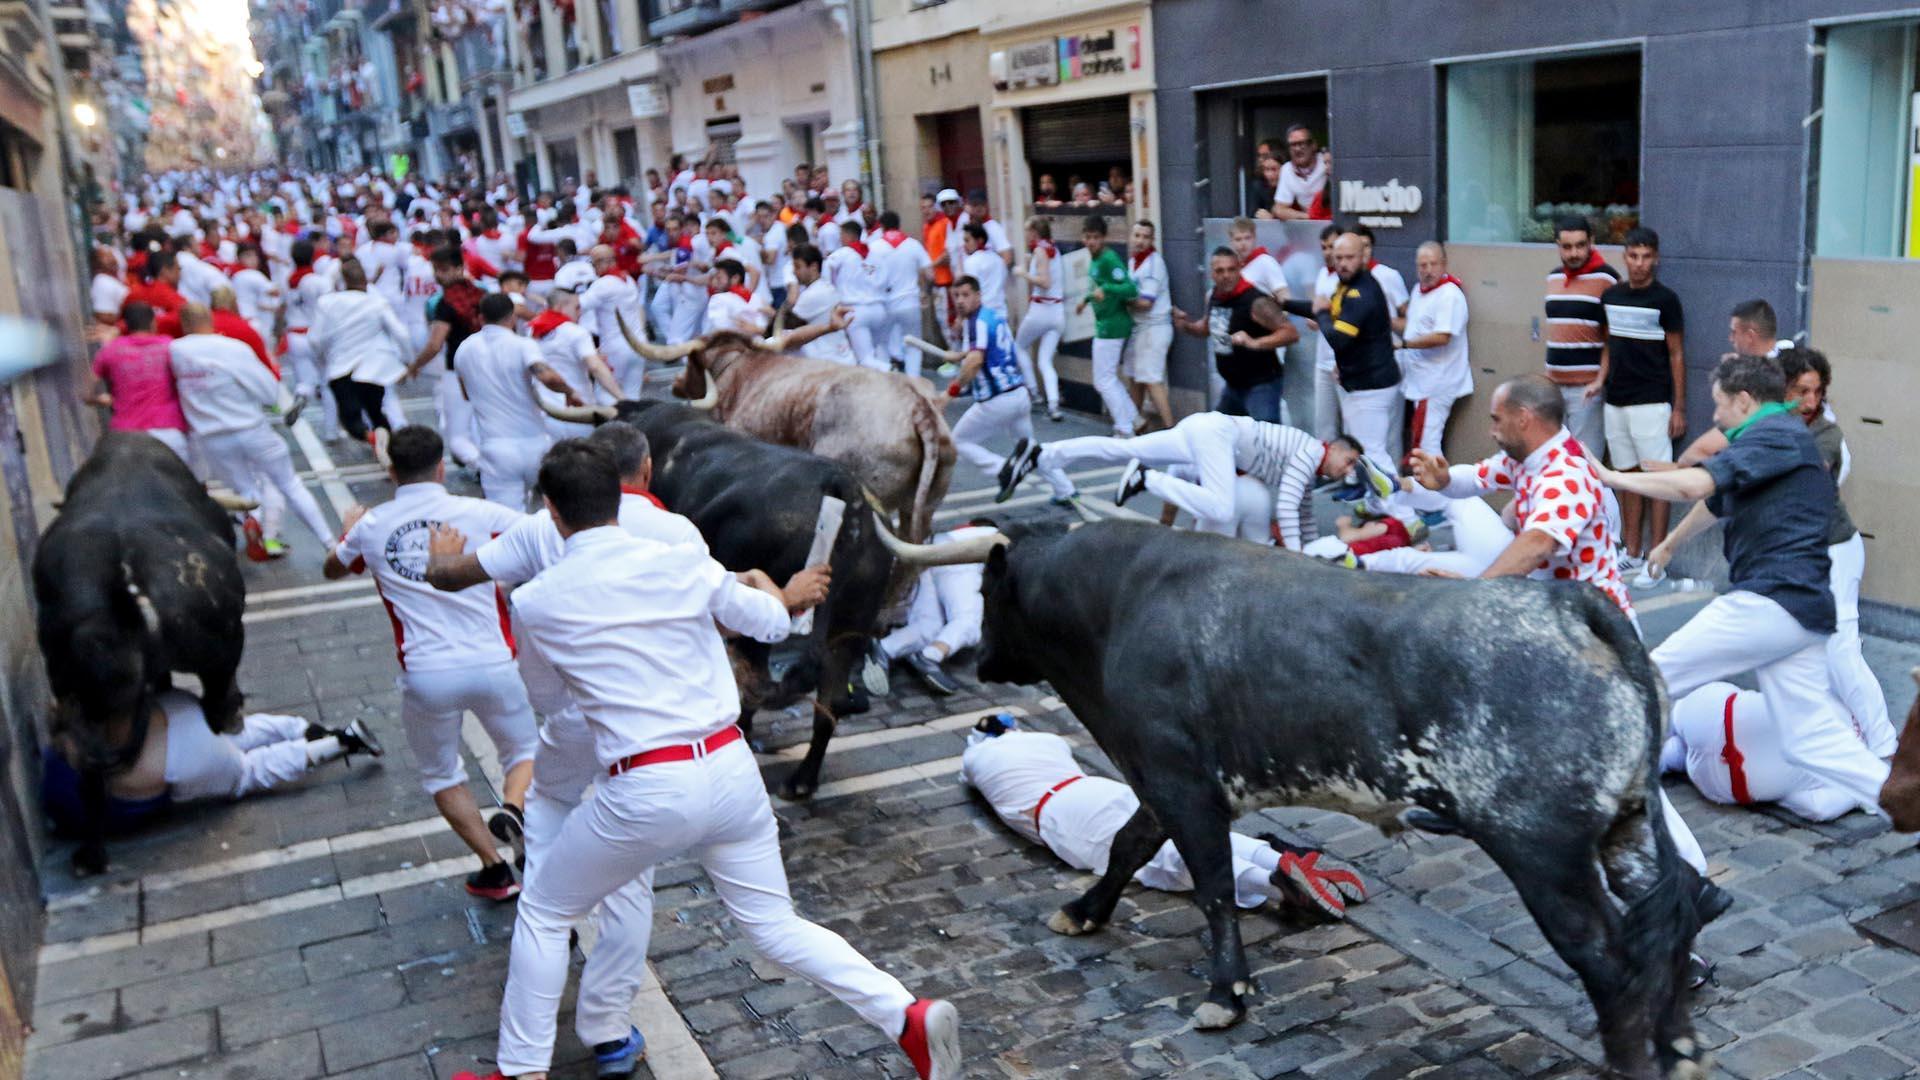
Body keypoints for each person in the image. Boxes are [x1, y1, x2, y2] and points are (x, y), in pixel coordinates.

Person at [466, 441, 962, 1080]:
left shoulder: (535, 601)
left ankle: (520, 1070)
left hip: (645, 783)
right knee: (776, 926)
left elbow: (546, 697)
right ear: (625, 495)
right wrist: (773, 591)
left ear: (552, 514)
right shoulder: (683, 563)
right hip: (730, 770)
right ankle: (906, 1015)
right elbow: (772, 623)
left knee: (544, 908)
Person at [425, 424, 709, 1077]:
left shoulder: (537, 532)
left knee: (548, 899)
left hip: (573, 729)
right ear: (644, 468)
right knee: (632, 884)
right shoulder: (678, 534)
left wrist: (440, 553)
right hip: (651, 732)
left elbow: (454, 577)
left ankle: (524, 1062)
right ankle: (609, 1034)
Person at [1406, 373, 1712, 876]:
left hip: (1599, 641)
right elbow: (1479, 477)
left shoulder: (1566, 473)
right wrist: (1443, 480)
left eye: (1496, 418)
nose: (1491, 428)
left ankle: (1690, 880)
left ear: (1525, 419)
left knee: (1627, 778)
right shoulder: (1529, 458)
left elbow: (1539, 544)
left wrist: (1472, 595)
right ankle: (1475, 802)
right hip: (1562, 633)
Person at [1596, 353, 1890, 819]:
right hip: (1801, 614)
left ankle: (1575, 780)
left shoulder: (1773, 434)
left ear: (1745, 401)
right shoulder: (1779, 439)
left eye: (1719, 405)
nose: (1715, 416)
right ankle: (1900, 799)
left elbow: (1697, 486)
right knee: (1811, 738)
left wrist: (1613, 477)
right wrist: (1670, 544)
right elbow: (1716, 501)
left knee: (1644, 680)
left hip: (1767, 605)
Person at [323, 426, 540, 902]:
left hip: (427, 674)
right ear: (441, 466)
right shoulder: (479, 513)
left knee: (443, 774)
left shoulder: (373, 525)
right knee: (523, 752)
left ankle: (493, 868)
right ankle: (513, 806)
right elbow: (540, 539)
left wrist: (349, 529)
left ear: (390, 471)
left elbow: (333, 567)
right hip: (493, 662)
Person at [961, 716, 1367, 917]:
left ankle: (1273, 884)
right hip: (1097, 788)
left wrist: (980, 740)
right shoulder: (1046, 742)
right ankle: (1279, 859)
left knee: (1162, 860)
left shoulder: (977, 759)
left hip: (1059, 816)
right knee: (1188, 830)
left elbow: (970, 772)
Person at [42, 688, 381, 837]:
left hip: (183, 761)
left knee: (248, 770)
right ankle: (302, 728)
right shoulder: (73, 729)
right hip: (173, 708)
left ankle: (340, 743)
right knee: (236, 730)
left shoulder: (82, 799)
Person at [1007, 407, 1364, 547]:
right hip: (1217, 435)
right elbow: (1285, 509)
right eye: (1348, 462)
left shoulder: (1309, 469)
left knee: (1123, 449)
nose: (1347, 471)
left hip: (1204, 428)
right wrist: (1300, 562)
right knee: (1222, 509)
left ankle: (1042, 453)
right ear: (1334, 447)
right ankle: (1146, 479)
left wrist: (1313, 552)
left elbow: (1302, 517)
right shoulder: (1311, 452)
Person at [171, 303, 333, 560]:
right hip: (251, 429)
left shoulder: (175, 351)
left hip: (212, 438)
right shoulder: (233, 348)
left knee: (246, 491)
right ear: (210, 320)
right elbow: (269, 392)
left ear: (184, 324)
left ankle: (254, 522)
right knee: (289, 484)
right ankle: (328, 542)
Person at [1663, 683, 1877, 824]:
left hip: (1712, 712)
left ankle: (1659, 742)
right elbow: (1817, 808)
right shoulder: (1847, 780)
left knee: (1667, 721)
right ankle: (1670, 757)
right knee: (1680, 755)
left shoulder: (1836, 696)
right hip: (1724, 783)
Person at [1283, 233, 1401, 475]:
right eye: (1338, 258)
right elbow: (1321, 309)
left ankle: (1400, 508)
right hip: (1363, 383)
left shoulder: (1361, 292)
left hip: (1371, 387)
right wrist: (1283, 303)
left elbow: (1338, 339)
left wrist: (1323, 314)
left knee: (1372, 452)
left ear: (1363, 257)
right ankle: (1376, 503)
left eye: (1349, 257)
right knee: (1367, 452)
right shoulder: (1347, 285)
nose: (1343, 263)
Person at [454, 292, 583, 508]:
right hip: (536, 444)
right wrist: (570, 392)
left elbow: (466, 394)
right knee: (551, 517)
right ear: (513, 317)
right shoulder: (522, 345)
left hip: (496, 449)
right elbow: (548, 376)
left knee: (507, 524)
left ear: (480, 318)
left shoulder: (464, 349)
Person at [869, 520, 998, 697]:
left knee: (928, 627)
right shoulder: (990, 533)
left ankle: (885, 648)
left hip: (929, 552)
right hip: (960, 554)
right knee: (967, 622)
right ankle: (930, 655)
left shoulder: (960, 533)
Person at [1172, 247, 1296, 425]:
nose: (1226, 275)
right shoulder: (1214, 296)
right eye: (1220, 271)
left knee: (1266, 442)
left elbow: (1290, 332)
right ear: (1212, 274)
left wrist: (1255, 342)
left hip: (1261, 386)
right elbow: (1207, 328)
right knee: (1217, 431)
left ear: (1239, 269)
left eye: (1231, 269)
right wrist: (1186, 326)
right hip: (1233, 387)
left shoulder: (1255, 301)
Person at [941, 276, 1032, 498]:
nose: (960, 301)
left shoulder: (976, 323)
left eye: (965, 295)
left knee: (958, 442)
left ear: (978, 295)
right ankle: (1066, 490)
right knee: (1032, 451)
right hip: (1019, 395)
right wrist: (962, 354)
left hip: (996, 401)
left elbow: (975, 363)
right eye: (956, 296)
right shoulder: (992, 316)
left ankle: (1003, 469)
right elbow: (986, 351)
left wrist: (948, 394)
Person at [308, 258, 411, 443]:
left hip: (341, 368)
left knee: (351, 419)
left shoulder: (326, 303)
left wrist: (323, 359)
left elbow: (315, 340)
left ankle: (373, 439)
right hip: (373, 367)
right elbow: (401, 334)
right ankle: (389, 448)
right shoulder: (376, 302)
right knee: (376, 412)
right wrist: (408, 362)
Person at [406, 245, 487, 468]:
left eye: (443, 270)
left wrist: (414, 366)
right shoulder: (483, 292)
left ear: (459, 268)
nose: (438, 275)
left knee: (457, 438)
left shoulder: (445, 303)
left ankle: (487, 468)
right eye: (436, 269)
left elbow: (434, 344)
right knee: (482, 425)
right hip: (486, 367)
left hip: (456, 371)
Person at [1542, 215, 1617, 454]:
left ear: (1591, 242)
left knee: (1585, 462)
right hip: (1553, 387)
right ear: (1557, 246)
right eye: (1566, 247)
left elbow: (1612, 338)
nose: (1573, 253)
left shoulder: (1606, 278)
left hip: (1586, 390)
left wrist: (1599, 381)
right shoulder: (1554, 278)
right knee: (1555, 460)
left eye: (1580, 245)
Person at [1393, 241, 1471, 458]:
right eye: (1422, 265)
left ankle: (1435, 490)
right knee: (1421, 442)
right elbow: (1412, 327)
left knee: (1428, 444)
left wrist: (1403, 345)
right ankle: (1428, 488)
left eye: (1432, 264)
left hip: (1438, 383)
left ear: (1444, 264)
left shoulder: (1450, 294)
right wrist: (1385, 321)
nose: (1427, 270)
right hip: (1420, 381)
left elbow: (1442, 336)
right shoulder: (1418, 290)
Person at [88, 301, 189, 460]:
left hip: (126, 435)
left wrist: (106, 399)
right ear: (153, 323)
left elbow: (85, 390)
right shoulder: (169, 346)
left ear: (126, 325)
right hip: (168, 432)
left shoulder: (111, 350)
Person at [527, 289, 623, 442]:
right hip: (578, 413)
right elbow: (595, 368)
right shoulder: (576, 332)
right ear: (559, 307)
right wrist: (621, 398)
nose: (580, 312)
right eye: (577, 307)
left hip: (546, 415)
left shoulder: (533, 330)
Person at [1075, 216, 1140, 436]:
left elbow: (1130, 289)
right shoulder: (1095, 259)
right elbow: (1098, 287)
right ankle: (1134, 419)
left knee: (1103, 381)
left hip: (1112, 326)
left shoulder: (1109, 259)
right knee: (1107, 378)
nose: (1091, 242)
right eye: (1087, 237)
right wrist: (1085, 300)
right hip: (1105, 324)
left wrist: (1109, 290)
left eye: (1095, 238)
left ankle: (1124, 428)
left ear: (1103, 238)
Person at [578, 243, 649, 398]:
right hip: (638, 344)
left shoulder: (603, 283)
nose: (593, 268)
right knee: (633, 395)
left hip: (615, 349)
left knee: (605, 395)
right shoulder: (628, 279)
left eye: (593, 263)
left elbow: (578, 306)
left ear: (603, 262)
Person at [1124, 220, 1174, 431]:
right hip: (1140, 329)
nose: (1141, 241)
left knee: (1152, 379)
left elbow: (1146, 302)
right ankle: (1135, 426)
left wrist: (1119, 299)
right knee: (1135, 377)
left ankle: (1173, 430)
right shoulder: (1133, 262)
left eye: (1145, 237)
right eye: (1137, 236)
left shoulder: (1153, 263)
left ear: (1152, 240)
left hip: (1154, 328)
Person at [1012, 219, 1064, 419]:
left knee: (1019, 346)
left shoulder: (1040, 250)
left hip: (1041, 309)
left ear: (1034, 232)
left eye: (1027, 231)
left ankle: (1033, 392)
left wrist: (1023, 273)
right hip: (1057, 311)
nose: (1025, 236)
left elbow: (1044, 281)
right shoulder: (1053, 249)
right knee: (1045, 360)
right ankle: (1053, 404)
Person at [784, 243, 856, 364]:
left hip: (828, 363)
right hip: (841, 358)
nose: (794, 272)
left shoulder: (812, 295)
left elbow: (787, 327)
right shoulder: (825, 287)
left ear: (813, 267)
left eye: (798, 267)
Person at [1266, 124, 1328, 220]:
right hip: (1308, 222)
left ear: (1313, 145)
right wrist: (1309, 217)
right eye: (1293, 145)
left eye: (1302, 143)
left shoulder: (1326, 162)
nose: (1297, 149)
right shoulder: (1287, 169)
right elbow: (1279, 209)